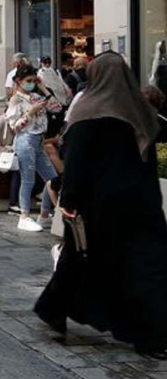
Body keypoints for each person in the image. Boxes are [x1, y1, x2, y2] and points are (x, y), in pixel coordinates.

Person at [34, 52, 167, 357]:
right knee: (144, 268)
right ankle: (149, 335)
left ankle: (54, 307)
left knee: (84, 260)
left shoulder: (88, 112)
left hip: (101, 207)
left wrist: (68, 200)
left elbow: (76, 163)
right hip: (139, 205)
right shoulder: (141, 112)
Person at [5, 64, 62, 232]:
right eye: (28, 81)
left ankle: (44, 215)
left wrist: (44, 88)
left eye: (33, 80)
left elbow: (57, 108)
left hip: (38, 141)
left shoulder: (37, 96)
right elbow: (14, 125)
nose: (31, 83)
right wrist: (30, 113)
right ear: (19, 81)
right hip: (25, 140)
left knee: (52, 179)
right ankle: (24, 215)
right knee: (27, 179)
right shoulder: (16, 99)